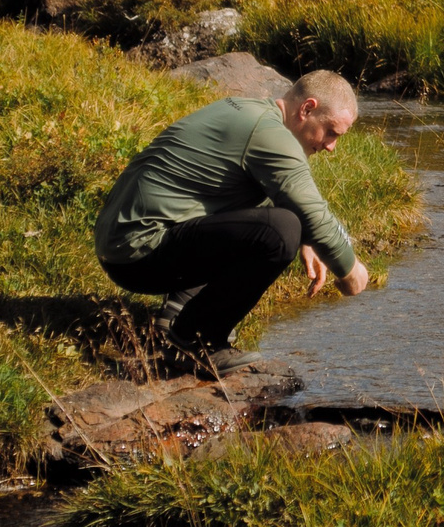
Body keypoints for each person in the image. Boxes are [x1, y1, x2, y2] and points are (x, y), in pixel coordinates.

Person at [94, 69, 373, 375]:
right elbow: (312, 212)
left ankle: (178, 314)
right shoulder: (268, 134)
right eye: (331, 132)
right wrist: (350, 270)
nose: (332, 146)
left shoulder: (247, 111)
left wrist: (309, 240)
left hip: (122, 241)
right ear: (307, 109)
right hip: (137, 252)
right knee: (280, 232)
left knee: (277, 223)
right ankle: (196, 343)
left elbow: (273, 198)